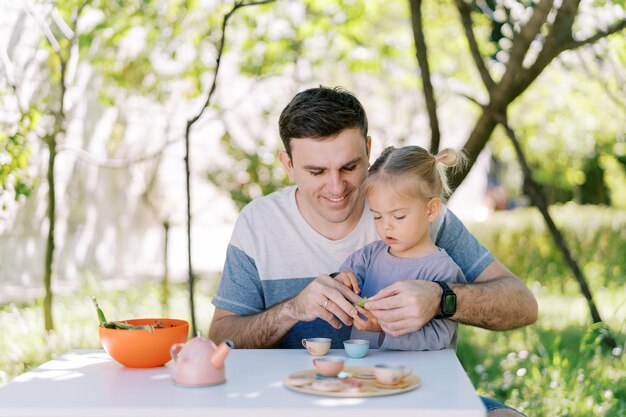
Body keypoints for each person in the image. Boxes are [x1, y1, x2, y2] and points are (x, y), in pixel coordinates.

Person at [209, 86, 537, 417]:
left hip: (417, 394)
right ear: (289, 165)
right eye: (317, 172)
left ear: (368, 150)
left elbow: (522, 304)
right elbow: (221, 339)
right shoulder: (260, 223)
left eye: (349, 167)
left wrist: (442, 299)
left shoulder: (413, 212)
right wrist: (292, 309)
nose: (336, 188)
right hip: (299, 402)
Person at [334, 145, 467, 351]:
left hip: (420, 376)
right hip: (367, 373)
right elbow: (342, 284)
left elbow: (439, 337)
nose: (386, 225)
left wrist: (383, 328)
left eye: (398, 216)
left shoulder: (442, 270)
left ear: (430, 210)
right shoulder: (370, 256)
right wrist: (339, 281)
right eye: (377, 216)